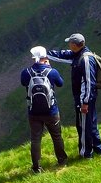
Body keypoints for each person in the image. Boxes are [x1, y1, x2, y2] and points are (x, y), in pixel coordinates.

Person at [48, 33, 101, 159]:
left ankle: (86, 154)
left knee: (83, 126)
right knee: (91, 124)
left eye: (70, 43)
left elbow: (89, 82)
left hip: (85, 98)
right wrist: (44, 54)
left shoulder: (85, 59)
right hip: (85, 97)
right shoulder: (79, 54)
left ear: (74, 45)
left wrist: (85, 102)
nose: (68, 45)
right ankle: (99, 150)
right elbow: (63, 55)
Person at [20, 45, 69, 173]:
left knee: (35, 139)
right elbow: (60, 83)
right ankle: (62, 160)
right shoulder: (52, 72)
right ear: (45, 57)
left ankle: (36, 167)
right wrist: (50, 68)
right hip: (51, 111)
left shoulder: (26, 72)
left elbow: (23, 83)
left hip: (33, 112)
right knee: (56, 136)